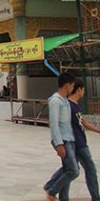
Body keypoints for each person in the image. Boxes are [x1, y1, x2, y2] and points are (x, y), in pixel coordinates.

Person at [44, 72, 78, 201]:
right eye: (72, 85)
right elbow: (54, 123)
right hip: (63, 140)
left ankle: (63, 197)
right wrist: (58, 144)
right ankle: (51, 190)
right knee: (74, 170)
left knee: (67, 169)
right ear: (67, 85)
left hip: (70, 139)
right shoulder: (55, 101)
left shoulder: (65, 101)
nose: (73, 88)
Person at [69, 78, 100, 201]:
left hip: (81, 141)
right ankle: (96, 197)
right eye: (83, 90)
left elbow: (84, 123)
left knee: (69, 171)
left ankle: (59, 193)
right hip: (77, 143)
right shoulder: (69, 106)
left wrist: (98, 130)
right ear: (79, 90)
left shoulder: (77, 105)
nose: (84, 93)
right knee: (89, 169)